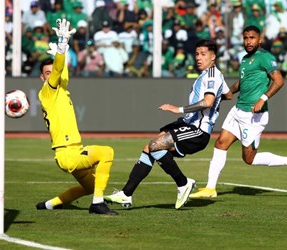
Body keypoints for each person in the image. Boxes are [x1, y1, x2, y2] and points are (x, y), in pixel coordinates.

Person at [104, 39, 232, 209]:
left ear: (213, 56)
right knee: (149, 147)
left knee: (155, 145)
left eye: (203, 54)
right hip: (188, 123)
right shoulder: (213, 75)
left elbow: (208, 102)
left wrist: (178, 109)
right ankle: (126, 194)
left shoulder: (211, 76)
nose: (199, 58)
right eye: (197, 54)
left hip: (198, 130)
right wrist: (219, 98)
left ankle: (183, 183)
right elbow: (229, 95)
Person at [189, 26, 287, 199]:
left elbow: (279, 81)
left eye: (252, 38)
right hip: (238, 110)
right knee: (220, 143)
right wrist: (227, 93)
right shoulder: (245, 59)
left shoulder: (265, 57)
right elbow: (241, 83)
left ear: (260, 39)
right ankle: (210, 188)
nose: (248, 41)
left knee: (249, 159)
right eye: (245, 38)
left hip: (254, 115)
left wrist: (263, 99)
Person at [36, 19, 117, 215]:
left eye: (51, 72)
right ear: (42, 78)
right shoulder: (48, 91)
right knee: (106, 152)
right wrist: (62, 46)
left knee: (89, 186)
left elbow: (61, 71)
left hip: (72, 150)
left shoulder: (61, 90)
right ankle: (98, 203)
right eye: (45, 73)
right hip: (67, 153)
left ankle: (49, 204)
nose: (50, 75)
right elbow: (57, 70)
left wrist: (60, 55)